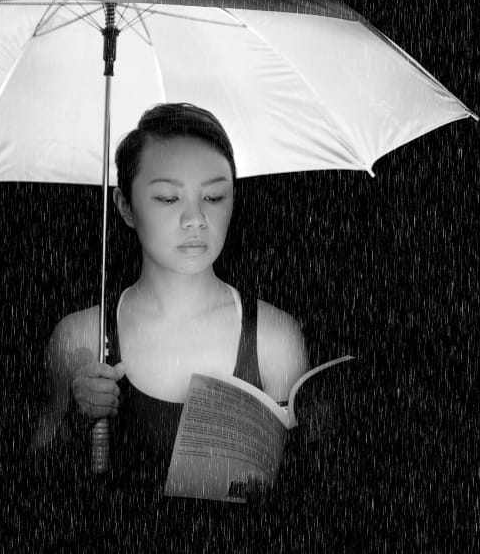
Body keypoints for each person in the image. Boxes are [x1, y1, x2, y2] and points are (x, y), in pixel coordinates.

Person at [27, 102, 310, 490]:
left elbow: (308, 490)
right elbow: (32, 483)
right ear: (125, 206)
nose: (195, 218)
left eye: (213, 197)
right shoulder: (81, 337)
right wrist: (76, 425)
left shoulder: (274, 339)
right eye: (167, 198)